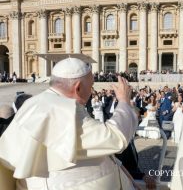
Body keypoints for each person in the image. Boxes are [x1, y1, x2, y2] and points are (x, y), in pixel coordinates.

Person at [0, 58, 138, 190]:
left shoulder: (34, 102)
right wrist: (124, 101)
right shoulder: (65, 110)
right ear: (77, 88)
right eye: (91, 86)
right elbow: (115, 137)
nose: (91, 91)